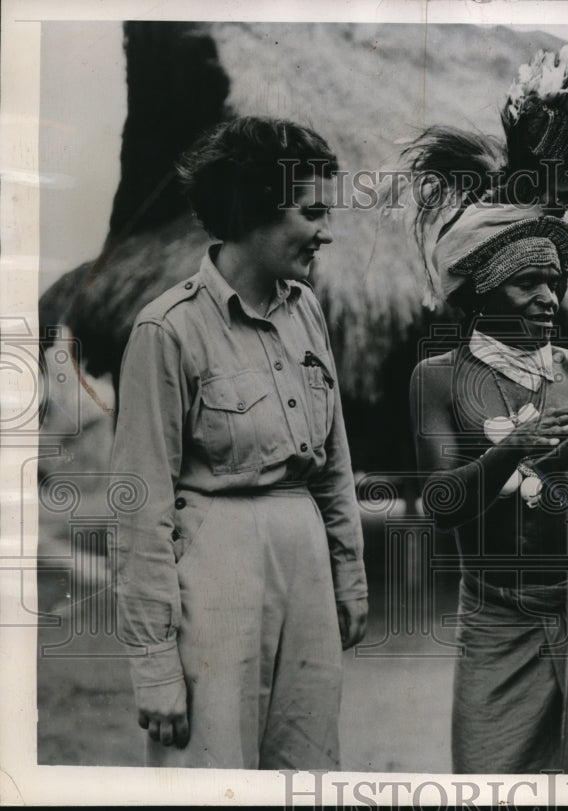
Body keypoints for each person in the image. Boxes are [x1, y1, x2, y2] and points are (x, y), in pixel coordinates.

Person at [110, 116, 367, 769]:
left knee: (305, 763)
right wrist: (154, 667)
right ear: (255, 210)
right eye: (311, 212)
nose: (324, 230)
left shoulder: (307, 309)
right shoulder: (167, 330)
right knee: (213, 763)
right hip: (216, 571)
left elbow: (334, 460)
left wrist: (348, 573)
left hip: (304, 561)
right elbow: (140, 509)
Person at [409, 202, 568, 774]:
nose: (550, 297)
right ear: (480, 295)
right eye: (527, 282)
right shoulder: (438, 378)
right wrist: (516, 444)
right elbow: (442, 506)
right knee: (489, 776)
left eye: (555, 282)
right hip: (496, 613)